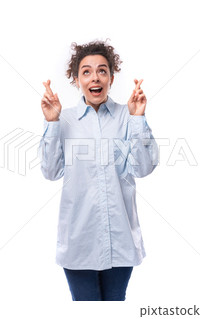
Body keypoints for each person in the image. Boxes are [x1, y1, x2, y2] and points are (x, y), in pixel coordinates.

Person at [38, 39, 159, 301]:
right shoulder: (63, 119)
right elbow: (50, 171)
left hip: (121, 239)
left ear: (111, 78)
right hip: (79, 241)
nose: (95, 77)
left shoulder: (127, 116)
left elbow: (144, 168)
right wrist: (52, 124)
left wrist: (138, 118)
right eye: (87, 71)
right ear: (77, 79)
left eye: (102, 70)